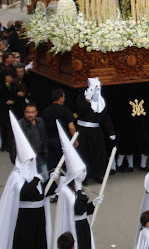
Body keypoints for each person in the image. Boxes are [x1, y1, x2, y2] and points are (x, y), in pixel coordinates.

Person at [0, 112, 51, 248]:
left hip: (38, 217)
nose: (32, 163)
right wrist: (36, 180)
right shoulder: (16, 177)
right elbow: (25, 191)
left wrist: (50, 183)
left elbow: (42, 194)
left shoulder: (36, 175)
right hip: (25, 218)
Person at [53, 120, 103, 249]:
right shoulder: (66, 191)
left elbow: (83, 210)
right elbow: (77, 210)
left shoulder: (79, 187)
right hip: (73, 227)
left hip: (83, 225)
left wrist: (93, 204)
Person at [76, 78, 116, 183]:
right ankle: (83, 177)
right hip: (83, 131)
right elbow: (81, 110)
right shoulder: (81, 97)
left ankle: (97, 174)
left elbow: (105, 117)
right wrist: (87, 99)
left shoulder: (101, 101)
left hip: (96, 130)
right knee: (83, 154)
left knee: (98, 153)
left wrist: (111, 131)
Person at [41, 89, 77, 173]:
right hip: (61, 140)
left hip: (48, 139)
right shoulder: (65, 110)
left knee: (51, 163)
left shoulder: (46, 110)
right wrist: (75, 139)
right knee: (64, 164)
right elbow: (71, 127)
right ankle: (64, 179)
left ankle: (51, 179)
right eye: (63, 97)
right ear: (60, 98)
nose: (64, 99)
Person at [14, 103, 48, 178]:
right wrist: (15, 159)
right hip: (28, 159)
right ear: (24, 112)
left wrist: (45, 151)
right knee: (30, 179)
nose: (30, 115)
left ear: (36, 113)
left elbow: (43, 137)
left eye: (32, 112)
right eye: (28, 112)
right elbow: (14, 143)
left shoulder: (40, 121)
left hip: (40, 155)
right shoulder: (20, 124)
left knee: (45, 177)